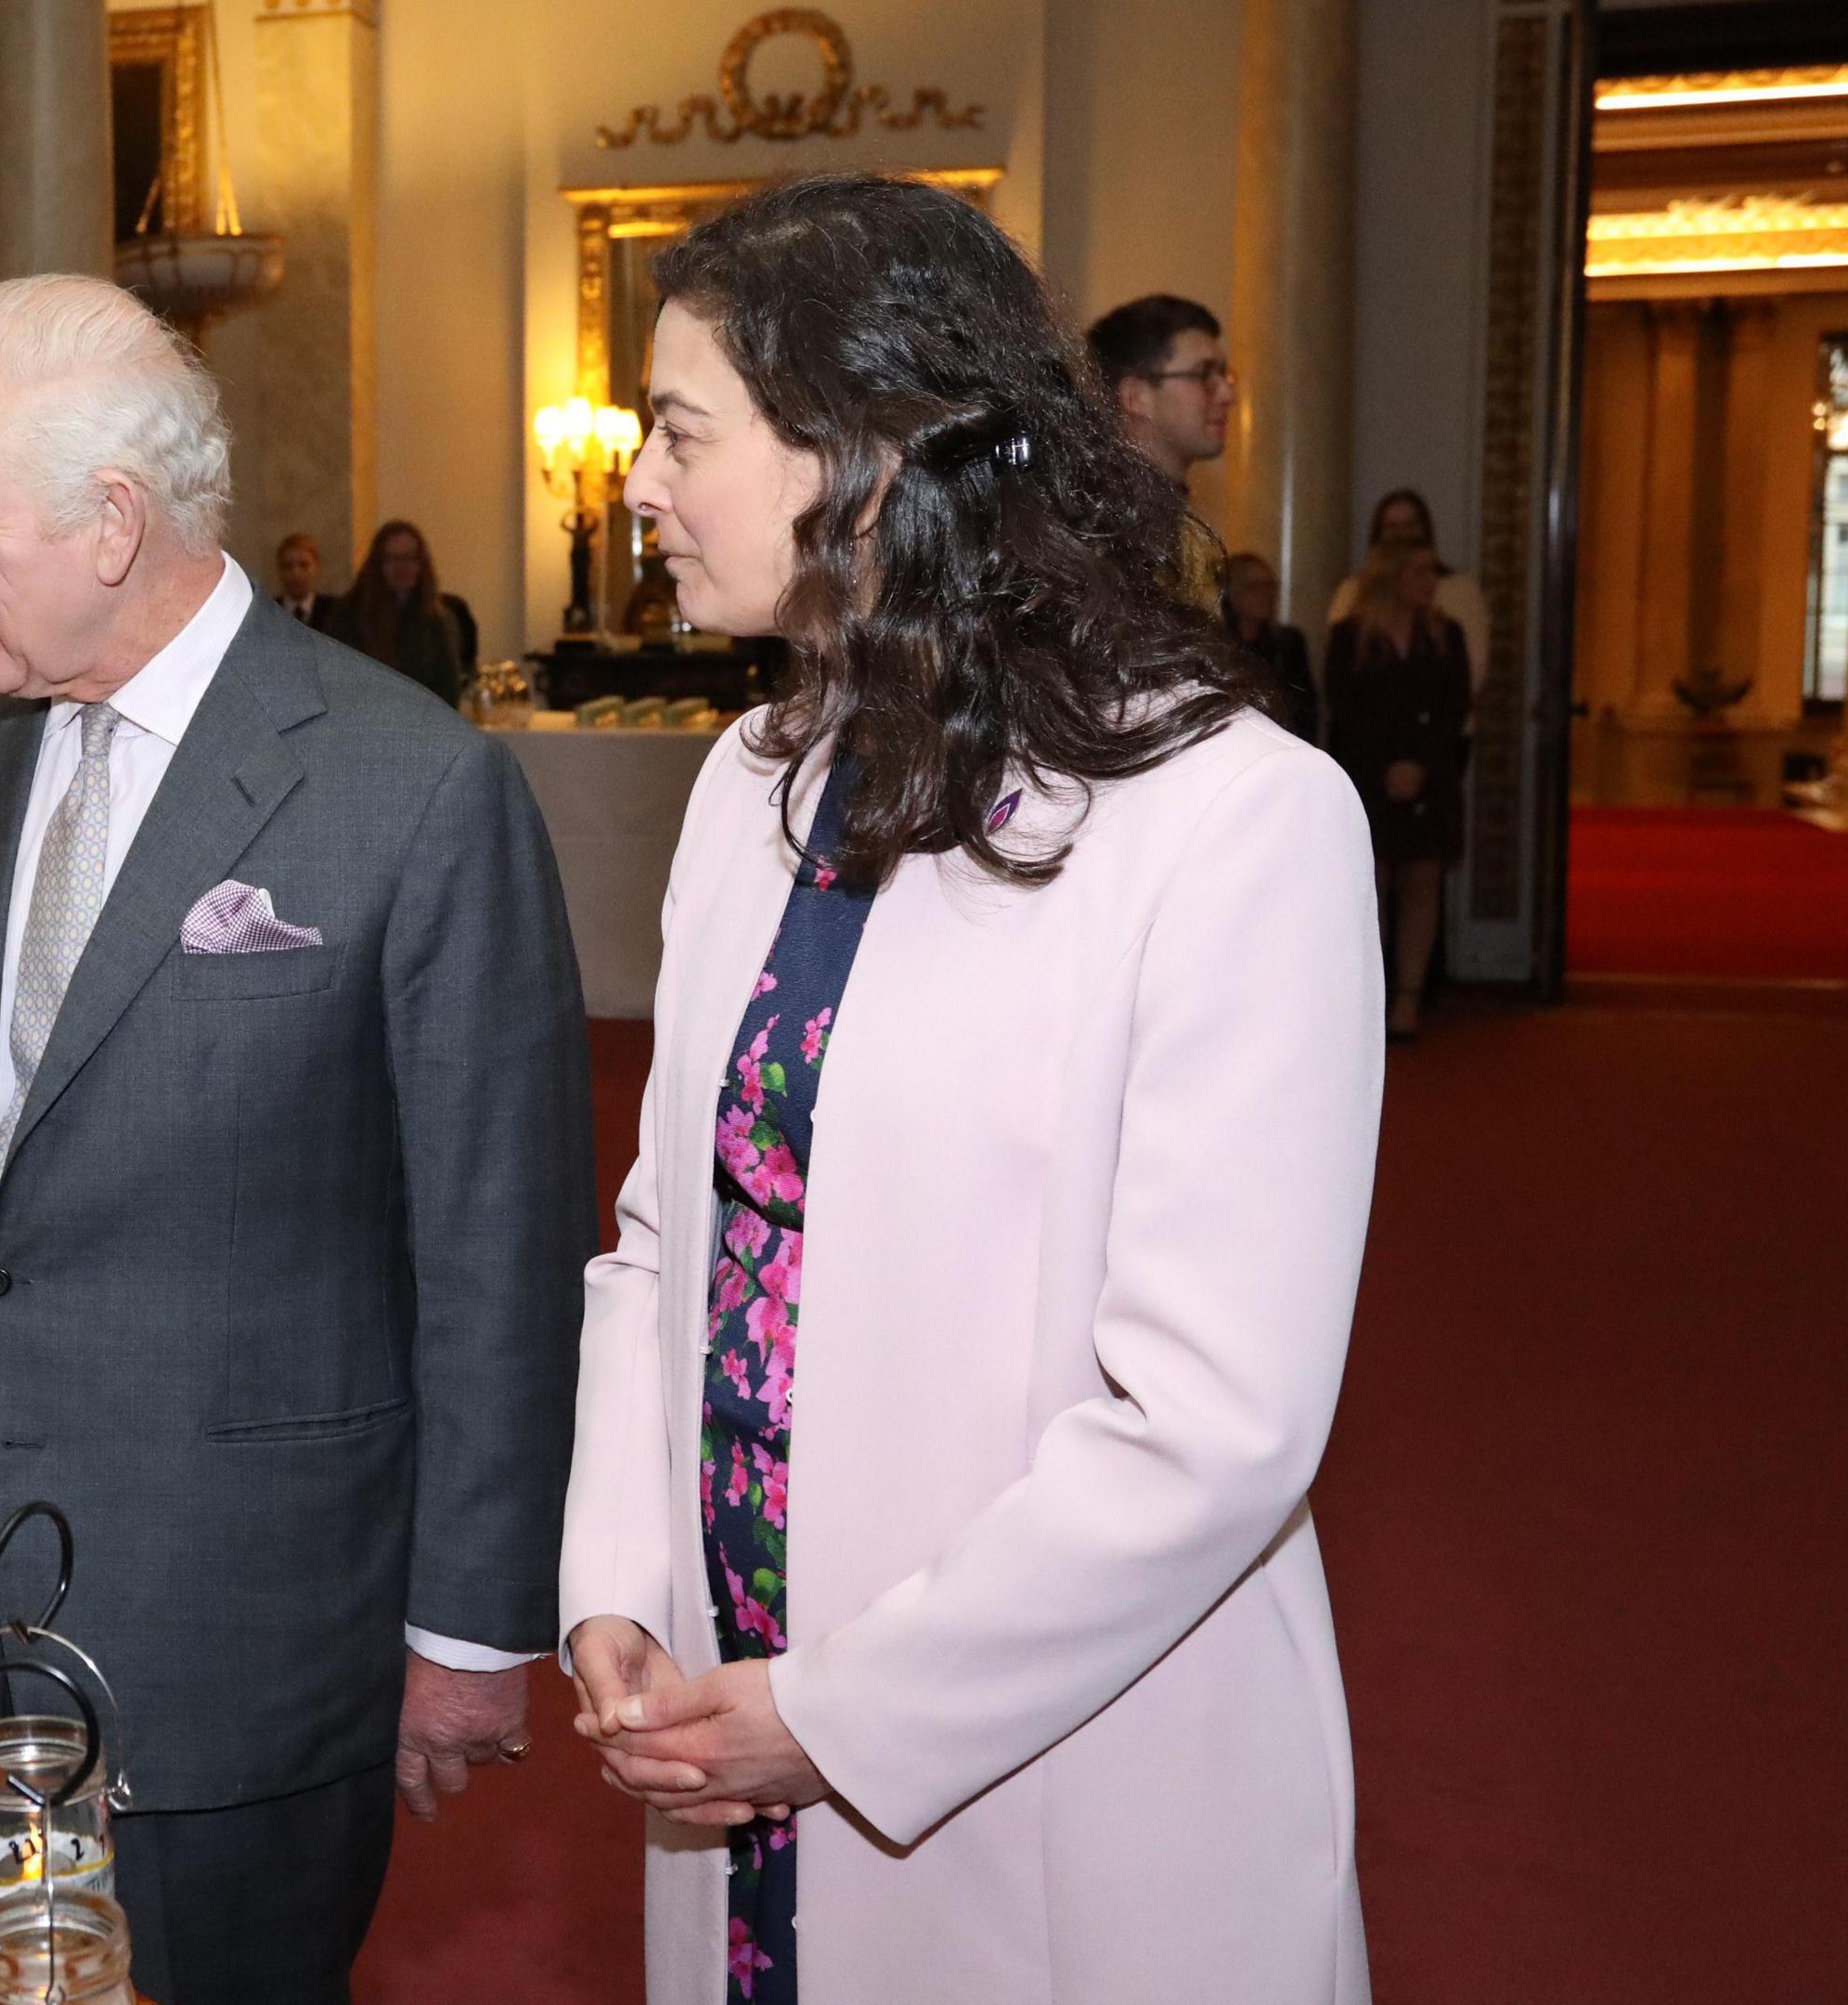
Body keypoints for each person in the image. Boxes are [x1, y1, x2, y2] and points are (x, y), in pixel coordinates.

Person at [561, 175, 1379, 2004]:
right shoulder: (755, 780)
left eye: (678, 430)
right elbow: (660, 1233)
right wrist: (617, 1575)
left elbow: (1213, 1426)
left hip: (1060, 1763)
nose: (637, 483)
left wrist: (842, 1716)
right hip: (733, 1693)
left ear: (867, 451)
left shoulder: (1235, 824)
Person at [0, 274, 595, 2005]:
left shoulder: (412, 788)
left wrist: (472, 1630)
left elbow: (499, 1245)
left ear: (110, 522)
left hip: (235, 1640)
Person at [1325, 533, 1472, 1041]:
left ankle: (1409, 998)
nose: (1431, 583)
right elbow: (1345, 711)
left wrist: (1420, 766)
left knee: (1423, 882)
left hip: (1429, 774)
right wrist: (1385, 766)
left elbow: (1455, 709)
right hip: (1369, 775)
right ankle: (1375, 996)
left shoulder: (1446, 635)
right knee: (1375, 885)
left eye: (1434, 572)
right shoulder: (1350, 637)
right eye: (1420, 572)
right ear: (1392, 576)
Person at [1322, 486, 1492, 692]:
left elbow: (1472, 672)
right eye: (1392, 527)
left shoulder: (1459, 591)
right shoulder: (1352, 591)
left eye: (1410, 525)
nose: (1402, 535)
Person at [1087, 292, 1235, 492]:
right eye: (1203, 374)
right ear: (1135, 398)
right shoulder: (1097, 515)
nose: (1228, 395)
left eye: (1224, 375)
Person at [321, 518, 481, 705]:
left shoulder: (438, 619)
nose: (402, 567)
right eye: (393, 559)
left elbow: (448, 688)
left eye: (410, 558)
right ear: (378, 565)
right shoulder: (349, 615)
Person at [1221, 549, 1322, 741]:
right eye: (1253, 587)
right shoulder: (1220, 645)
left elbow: (1306, 709)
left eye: (1269, 586)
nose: (1264, 594)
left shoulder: (1288, 643)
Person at [271, 528, 337, 627]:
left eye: (304, 565)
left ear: (317, 568)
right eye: (288, 566)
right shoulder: (270, 611)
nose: (296, 573)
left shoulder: (334, 612)